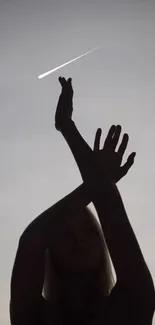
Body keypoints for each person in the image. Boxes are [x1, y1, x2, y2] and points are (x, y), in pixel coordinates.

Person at [9, 77, 155, 325]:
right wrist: (97, 183)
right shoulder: (33, 315)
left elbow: (112, 212)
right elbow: (30, 241)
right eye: (65, 233)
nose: (78, 239)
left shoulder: (132, 305)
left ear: (103, 244)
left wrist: (67, 127)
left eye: (89, 231)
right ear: (51, 251)